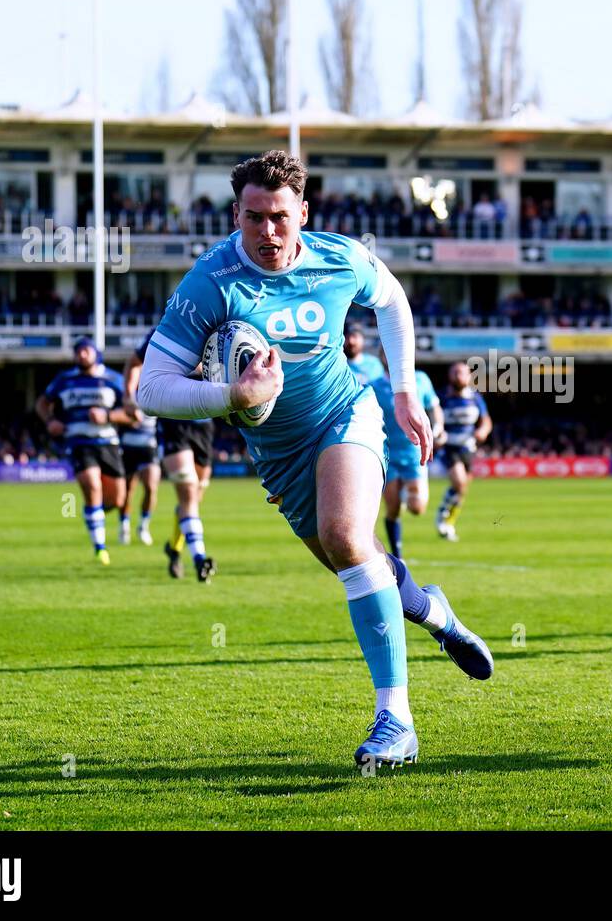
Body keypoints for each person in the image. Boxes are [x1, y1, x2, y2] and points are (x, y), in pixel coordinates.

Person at [138, 151, 492, 769]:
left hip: (345, 413)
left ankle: (396, 722)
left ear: (303, 212)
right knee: (355, 562)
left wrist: (405, 390)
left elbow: (393, 300)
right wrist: (232, 396)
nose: (268, 233)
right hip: (278, 456)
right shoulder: (210, 282)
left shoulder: (340, 257)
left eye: (280, 217)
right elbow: (151, 387)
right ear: (236, 214)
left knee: (346, 534)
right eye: (254, 218)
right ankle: (434, 611)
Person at [35, 338, 137, 565]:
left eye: (86, 351)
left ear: (95, 353)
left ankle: (93, 514)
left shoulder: (114, 380)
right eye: (78, 351)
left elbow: (133, 416)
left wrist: (108, 416)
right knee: (92, 486)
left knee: (118, 498)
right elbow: (42, 404)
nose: (81, 355)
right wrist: (50, 421)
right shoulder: (65, 380)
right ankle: (100, 547)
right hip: (78, 442)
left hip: (108, 443)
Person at [126, 330, 217, 582]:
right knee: (188, 494)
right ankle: (200, 558)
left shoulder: (217, 327)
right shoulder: (163, 331)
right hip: (173, 421)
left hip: (204, 424)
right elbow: (134, 363)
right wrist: (128, 397)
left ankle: (174, 548)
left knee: (195, 497)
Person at [372, 349, 443, 559]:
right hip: (388, 453)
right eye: (385, 353)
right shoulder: (375, 386)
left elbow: (434, 406)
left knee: (417, 508)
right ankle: (398, 555)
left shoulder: (419, 379)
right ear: (381, 358)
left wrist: (438, 428)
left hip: (414, 451)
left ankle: (406, 493)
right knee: (392, 509)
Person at [435, 361, 491, 542]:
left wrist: (483, 431)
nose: (459, 376)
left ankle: (449, 523)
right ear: (450, 376)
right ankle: (441, 513)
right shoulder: (441, 397)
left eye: (463, 373)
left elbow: (486, 420)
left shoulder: (475, 397)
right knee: (459, 483)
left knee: (462, 490)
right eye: (455, 372)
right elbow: (432, 416)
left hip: (468, 447)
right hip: (449, 447)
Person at [117, 404, 160, 546]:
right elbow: (116, 415)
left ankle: (143, 526)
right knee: (128, 490)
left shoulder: (154, 387)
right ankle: (124, 525)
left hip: (149, 447)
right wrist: (129, 420)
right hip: (128, 447)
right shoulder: (127, 393)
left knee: (151, 487)